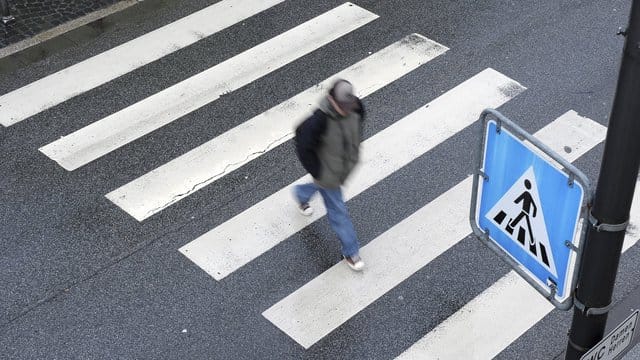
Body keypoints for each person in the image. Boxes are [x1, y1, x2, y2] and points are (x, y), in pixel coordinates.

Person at [293, 79, 365, 271]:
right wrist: (317, 170)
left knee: (320, 187)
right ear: (332, 100)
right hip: (327, 171)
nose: (346, 109)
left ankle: (301, 194)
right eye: (343, 106)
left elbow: (358, 125)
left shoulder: (356, 108)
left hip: (341, 168)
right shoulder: (319, 119)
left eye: (348, 105)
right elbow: (302, 141)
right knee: (338, 211)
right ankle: (351, 252)